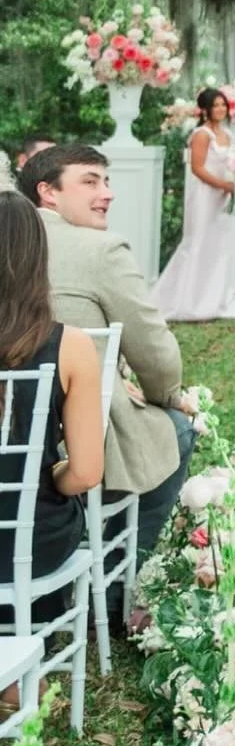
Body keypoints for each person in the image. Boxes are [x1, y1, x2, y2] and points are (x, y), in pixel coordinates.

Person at [18, 144, 196, 574]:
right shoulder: (101, 251)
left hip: (13, 428)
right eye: (90, 180)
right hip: (77, 440)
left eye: (107, 180)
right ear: (48, 192)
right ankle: (125, 577)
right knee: (176, 430)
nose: (107, 192)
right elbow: (154, 351)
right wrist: (164, 395)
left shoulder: (13, 244)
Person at [0, 194, 105, 612]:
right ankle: (26, 662)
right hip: (27, 540)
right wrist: (46, 472)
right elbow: (85, 472)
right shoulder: (71, 346)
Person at [153, 89, 235, 323]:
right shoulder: (201, 135)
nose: (221, 109)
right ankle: (183, 303)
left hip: (222, 195)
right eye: (216, 105)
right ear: (205, 109)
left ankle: (211, 301)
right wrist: (223, 184)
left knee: (217, 246)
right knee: (197, 244)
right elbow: (198, 168)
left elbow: (231, 163)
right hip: (204, 195)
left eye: (224, 104)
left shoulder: (227, 135)